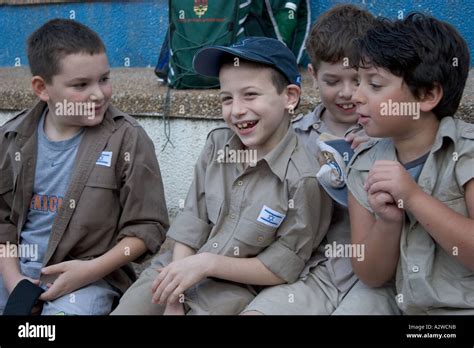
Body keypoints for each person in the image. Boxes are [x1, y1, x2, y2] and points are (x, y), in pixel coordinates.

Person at [111, 36, 332, 315]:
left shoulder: (304, 179)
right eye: (226, 98)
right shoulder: (217, 146)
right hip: (177, 267)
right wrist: (175, 294)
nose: (236, 110)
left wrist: (207, 264)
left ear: (289, 97)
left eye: (250, 95)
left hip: (237, 287)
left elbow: (281, 266)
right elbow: (193, 221)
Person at [0, 19, 169, 315]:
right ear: (42, 88)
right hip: (14, 274)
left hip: (90, 280)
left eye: (104, 79)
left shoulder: (128, 139)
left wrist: (86, 272)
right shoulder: (12, 137)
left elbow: (147, 229)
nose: (98, 94)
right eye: (81, 85)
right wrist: (15, 282)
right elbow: (3, 222)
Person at [242, 4, 400, 315]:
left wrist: (385, 144)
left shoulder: (394, 137)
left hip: (375, 279)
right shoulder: (293, 137)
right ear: (312, 75)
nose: (347, 93)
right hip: (309, 272)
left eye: (358, 80)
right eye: (332, 81)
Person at [347, 13, 473, 314]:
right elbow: (370, 274)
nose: (355, 96)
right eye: (357, 82)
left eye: (374, 85)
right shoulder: (364, 166)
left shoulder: (465, 153)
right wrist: (388, 222)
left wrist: (414, 198)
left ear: (427, 94)